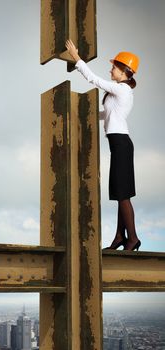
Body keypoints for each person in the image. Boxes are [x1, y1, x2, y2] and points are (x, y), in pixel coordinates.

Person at [65, 39, 141, 251]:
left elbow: (93, 79)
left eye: (114, 67)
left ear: (125, 71)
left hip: (121, 144)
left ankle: (133, 238)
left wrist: (77, 58)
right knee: (120, 192)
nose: (111, 70)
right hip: (118, 144)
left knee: (123, 194)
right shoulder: (119, 91)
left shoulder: (122, 90)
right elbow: (107, 115)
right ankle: (119, 237)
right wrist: (85, 114)